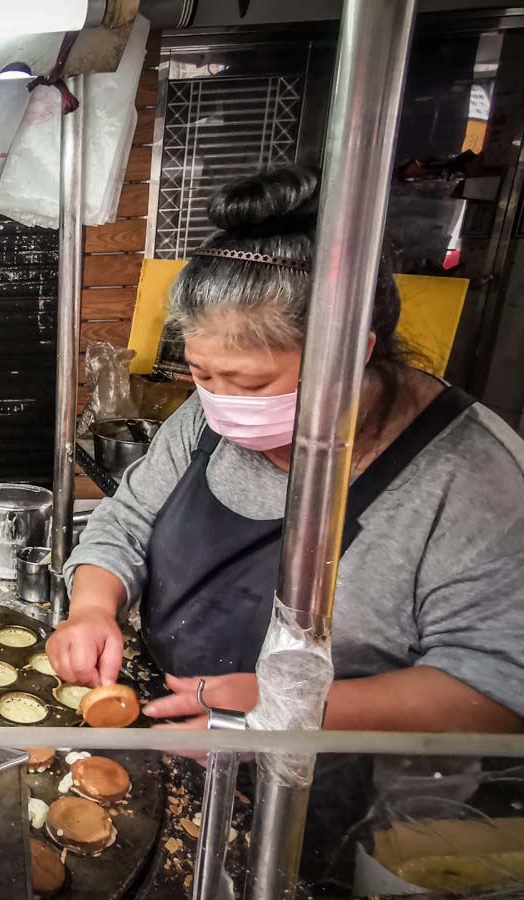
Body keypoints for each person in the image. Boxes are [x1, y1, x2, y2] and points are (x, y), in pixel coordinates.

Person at [47, 166, 524, 733]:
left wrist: (288, 709)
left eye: (250, 385)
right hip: (175, 735)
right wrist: (94, 608)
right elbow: (126, 521)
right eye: (202, 374)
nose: (221, 402)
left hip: (358, 800)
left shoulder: (470, 475)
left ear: (351, 354)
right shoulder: (203, 418)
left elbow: (497, 684)